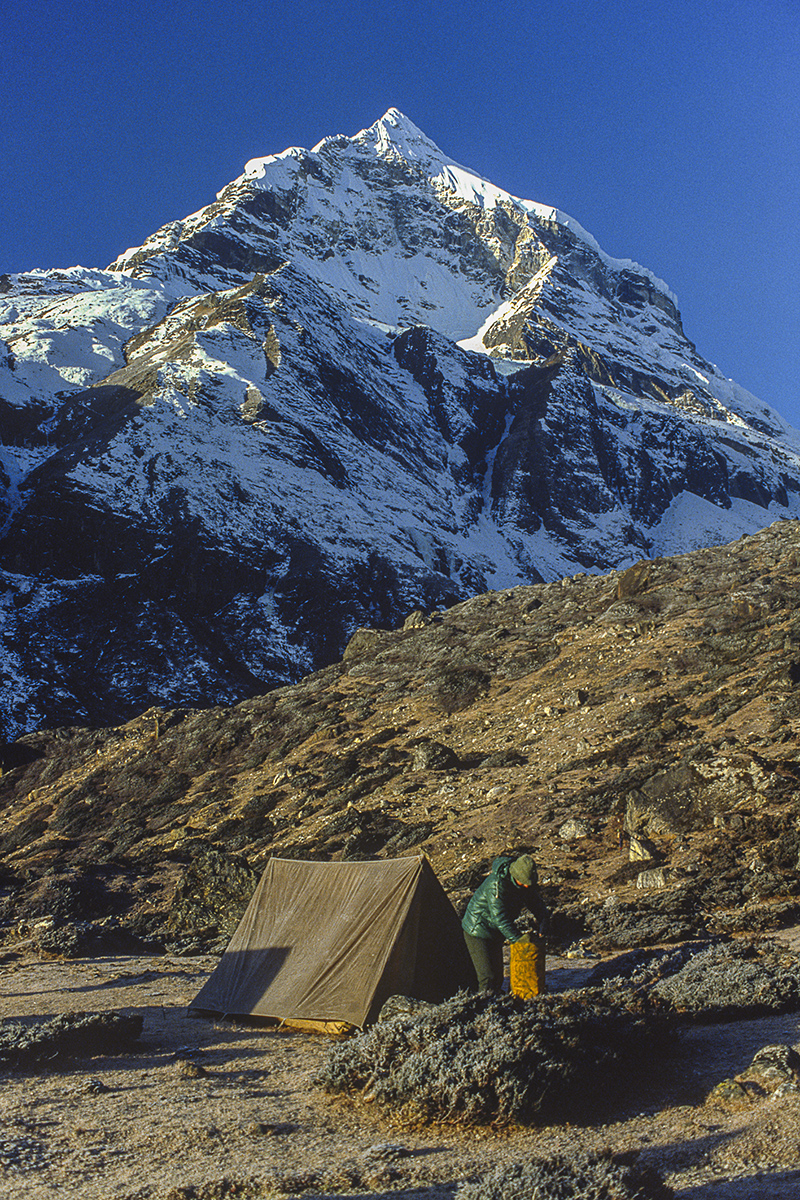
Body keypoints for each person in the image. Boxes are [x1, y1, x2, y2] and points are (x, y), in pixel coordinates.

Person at [461, 854, 549, 993]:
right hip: (477, 930)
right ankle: (484, 1008)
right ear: (515, 876)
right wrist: (519, 940)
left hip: (496, 931)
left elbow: (536, 904)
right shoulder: (497, 885)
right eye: (524, 882)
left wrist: (543, 922)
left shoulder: (525, 883)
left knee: (497, 978)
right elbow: (500, 918)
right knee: (487, 977)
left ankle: (495, 1004)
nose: (527, 885)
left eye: (529, 883)